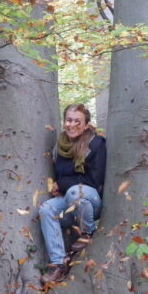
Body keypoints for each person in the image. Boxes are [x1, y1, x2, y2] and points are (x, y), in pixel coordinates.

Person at [40, 104, 106, 284]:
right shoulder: (59, 147)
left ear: (86, 125)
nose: (72, 125)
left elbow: (94, 181)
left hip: (90, 201)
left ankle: (87, 232)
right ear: (64, 122)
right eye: (69, 120)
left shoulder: (96, 144)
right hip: (70, 200)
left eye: (78, 121)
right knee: (46, 209)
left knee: (75, 191)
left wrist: (61, 184)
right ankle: (58, 264)